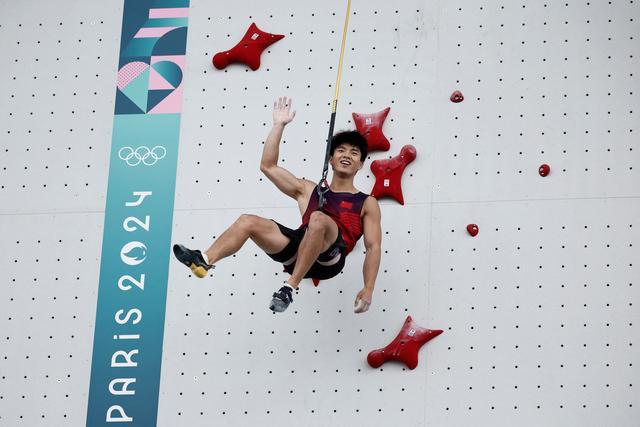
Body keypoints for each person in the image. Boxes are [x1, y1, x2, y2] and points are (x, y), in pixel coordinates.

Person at [173, 96, 382, 313]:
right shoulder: (309, 190)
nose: (347, 155)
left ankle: (288, 288)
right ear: (330, 159)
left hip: (330, 259)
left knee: (318, 218)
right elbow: (268, 166)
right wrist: (278, 126)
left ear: (360, 164)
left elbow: (373, 247)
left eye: (354, 152)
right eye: (341, 150)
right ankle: (204, 260)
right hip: (299, 250)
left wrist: (369, 288)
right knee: (248, 221)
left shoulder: (367, 202)